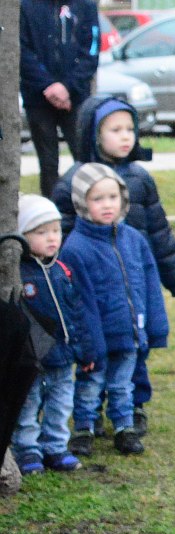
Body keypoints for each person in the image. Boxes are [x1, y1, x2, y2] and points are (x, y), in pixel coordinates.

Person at [53, 94, 175, 437]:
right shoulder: (73, 182)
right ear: (93, 134)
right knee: (95, 350)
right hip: (93, 286)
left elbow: (158, 230)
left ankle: (134, 407)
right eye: (115, 130)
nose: (126, 136)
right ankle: (90, 413)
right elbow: (61, 236)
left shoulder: (140, 178)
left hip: (132, 280)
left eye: (130, 128)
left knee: (134, 351)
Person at [60, 164, 166, 459]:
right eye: (97, 199)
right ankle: (84, 428)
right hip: (96, 338)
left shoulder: (134, 239)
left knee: (123, 385)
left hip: (129, 332)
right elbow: (80, 303)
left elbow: (149, 284)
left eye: (112, 197)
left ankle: (124, 427)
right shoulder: (76, 248)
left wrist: (155, 327)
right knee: (90, 385)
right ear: (82, 203)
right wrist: (89, 344)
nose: (107, 205)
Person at [12, 194, 103, 476]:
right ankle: (27, 449)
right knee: (28, 406)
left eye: (55, 230)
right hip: (33, 360)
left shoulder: (62, 270)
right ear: (22, 236)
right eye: (41, 233)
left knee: (60, 404)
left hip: (64, 358)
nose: (52, 238)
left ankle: (55, 447)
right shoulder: (18, 275)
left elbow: (77, 314)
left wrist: (85, 351)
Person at [20, 0, 100, 198]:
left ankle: (87, 211)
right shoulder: (27, 6)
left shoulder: (85, 6)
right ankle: (53, 216)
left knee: (84, 159)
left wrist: (67, 87)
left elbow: (91, 50)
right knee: (48, 164)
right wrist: (49, 86)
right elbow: (22, 50)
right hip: (38, 98)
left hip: (75, 98)